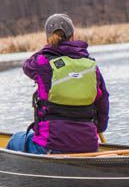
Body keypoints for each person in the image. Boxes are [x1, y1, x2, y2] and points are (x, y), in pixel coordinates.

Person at [7, 14, 109, 154]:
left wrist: (49, 49)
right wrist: (100, 128)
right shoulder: (91, 66)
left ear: (49, 38)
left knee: (15, 140)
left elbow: (27, 65)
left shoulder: (42, 63)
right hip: (89, 144)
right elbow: (103, 101)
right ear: (73, 35)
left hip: (52, 145)